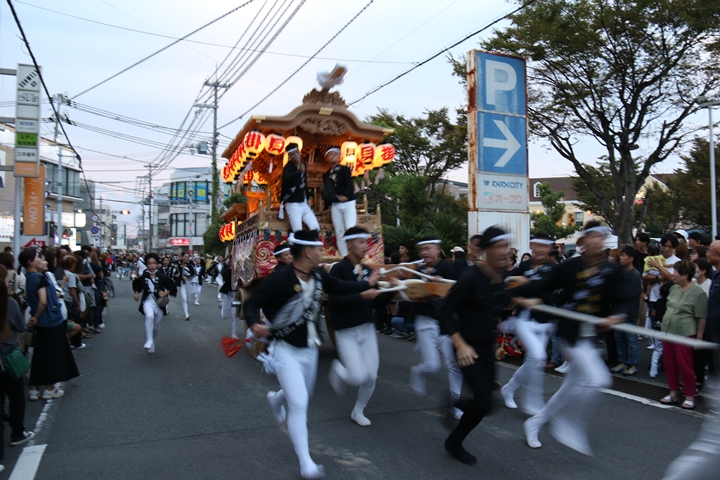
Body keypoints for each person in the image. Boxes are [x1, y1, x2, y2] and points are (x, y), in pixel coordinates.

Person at [244, 230, 379, 479]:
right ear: (308, 252)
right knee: (299, 404)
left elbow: (341, 286)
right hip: (285, 350)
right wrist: (254, 324)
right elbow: (251, 303)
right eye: (319, 248)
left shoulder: (318, 274)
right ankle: (306, 463)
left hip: (310, 350)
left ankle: (276, 399)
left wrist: (366, 285)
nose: (322, 252)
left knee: (300, 395)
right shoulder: (280, 279)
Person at [509, 222, 630, 455]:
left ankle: (535, 422)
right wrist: (515, 291)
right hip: (572, 332)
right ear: (583, 242)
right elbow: (542, 285)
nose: (597, 241)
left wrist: (617, 315)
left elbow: (622, 298)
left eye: (601, 237)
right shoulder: (570, 266)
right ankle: (569, 424)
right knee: (598, 379)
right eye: (592, 236)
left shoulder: (611, 270)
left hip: (591, 334)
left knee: (571, 388)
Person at [435, 225, 511, 465]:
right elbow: (444, 312)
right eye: (499, 246)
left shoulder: (501, 277)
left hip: (486, 348)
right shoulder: (469, 278)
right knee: (483, 402)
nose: (505, 251)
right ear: (486, 250)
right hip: (466, 348)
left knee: (489, 404)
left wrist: (524, 298)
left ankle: (455, 407)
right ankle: (454, 442)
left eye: (507, 246)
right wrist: (460, 345)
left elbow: (501, 299)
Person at [327, 227, 395, 427]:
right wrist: (361, 295)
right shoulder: (338, 270)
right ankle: (338, 369)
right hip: (346, 330)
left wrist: (390, 290)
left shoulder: (369, 271)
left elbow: (377, 304)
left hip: (366, 328)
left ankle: (358, 410)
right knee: (357, 376)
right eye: (361, 242)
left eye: (366, 242)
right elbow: (335, 303)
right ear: (349, 244)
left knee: (371, 376)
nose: (365, 246)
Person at [501, 232, 556, 415]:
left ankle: (509, 389)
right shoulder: (524, 266)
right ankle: (534, 403)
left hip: (542, 320)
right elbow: (510, 289)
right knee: (538, 356)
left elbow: (547, 291)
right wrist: (522, 300)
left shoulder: (551, 268)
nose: (540, 250)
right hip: (524, 319)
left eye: (545, 246)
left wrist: (529, 287)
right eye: (537, 245)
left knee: (534, 360)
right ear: (532, 246)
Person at [408, 236, 462, 419]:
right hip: (425, 321)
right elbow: (412, 295)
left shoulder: (448, 268)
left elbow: (456, 293)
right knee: (432, 366)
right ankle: (418, 371)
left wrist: (441, 286)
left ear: (438, 250)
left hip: (446, 322)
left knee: (454, 365)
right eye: (422, 249)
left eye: (428, 248)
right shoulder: (417, 271)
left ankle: (456, 403)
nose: (425, 252)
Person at [20, 248, 79, 401]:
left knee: (39, 355)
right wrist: (36, 316)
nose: (43, 261)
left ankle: (35, 388)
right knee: (52, 355)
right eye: (39, 258)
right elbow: (43, 301)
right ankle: (49, 388)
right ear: (30, 262)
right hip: (50, 320)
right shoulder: (39, 278)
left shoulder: (29, 277)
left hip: (42, 321)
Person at [658, 260, 707, 410]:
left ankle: (690, 396)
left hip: (685, 333)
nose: (673, 275)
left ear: (685, 275)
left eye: (676, 272)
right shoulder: (674, 288)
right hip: (668, 331)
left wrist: (699, 337)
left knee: (685, 365)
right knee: (669, 363)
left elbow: (702, 316)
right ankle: (673, 393)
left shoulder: (698, 292)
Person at [0, 264, 35, 467]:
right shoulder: (10, 303)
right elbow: (20, 327)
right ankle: (17, 432)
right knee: (16, 396)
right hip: (8, 358)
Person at [132, 253, 176, 353]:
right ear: (146, 264)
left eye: (154, 263)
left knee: (156, 328)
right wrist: (136, 293)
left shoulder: (162, 276)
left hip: (159, 304)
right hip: (147, 301)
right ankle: (149, 340)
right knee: (149, 316)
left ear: (157, 264)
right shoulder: (144, 276)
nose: (152, 265)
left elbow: (172, 285)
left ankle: (152, 340)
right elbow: (136, 284)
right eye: (149, 263)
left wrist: (165, 293)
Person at [610, 246, 642, 376]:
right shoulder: (620, 272)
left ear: (631, 258)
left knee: (631, 340)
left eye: (624, 256)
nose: (621, 258)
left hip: (629, 312)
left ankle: (632, 364)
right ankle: (621, 361)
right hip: (617, 311)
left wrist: (616, 293)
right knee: (619, 338)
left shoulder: (635, 274)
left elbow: (630, 293)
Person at [322, 148, 356, 257]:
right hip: (335, 205)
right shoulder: (326, 174)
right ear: (327, 158)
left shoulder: (344, 169)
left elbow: (348, 184)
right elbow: (327, 191)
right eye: (331, 154)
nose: (333, 156)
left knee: (350, 228)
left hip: (348, 203)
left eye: (336, 154)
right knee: (339, 232)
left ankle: (353, 255)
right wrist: (328, 204)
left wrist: (345, 195)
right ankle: (345, 256)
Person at [281, 143, 319, 232]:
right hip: (293, 204)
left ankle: (308, 241)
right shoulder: (288, 167)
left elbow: (304, 182)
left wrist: (307, 197)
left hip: (303, 203)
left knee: (315, 228)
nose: (296, 155)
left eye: (297, 152)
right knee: (298, 231)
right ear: (289, 156)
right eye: (292, 154)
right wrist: (298, 171)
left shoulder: (303, 164)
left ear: (300, 152)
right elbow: (288, 179)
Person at [219, 257, 239, 339]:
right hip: (227, 295)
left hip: (236, 296)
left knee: (235, 315)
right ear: (229, 263)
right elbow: (226, 278)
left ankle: (234, 334)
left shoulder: (241, 271)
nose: (233, 263)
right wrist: (232, 270)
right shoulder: (227, 270)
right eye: (232, 262)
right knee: (225, 316)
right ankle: (222, 306)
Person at [179, 254, 193, 320]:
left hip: (189, 283)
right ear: (182, 257)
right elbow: (175, 274)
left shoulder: (190, 266)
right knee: (184, 298)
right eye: (185, 257)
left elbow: (194, 274)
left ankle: (185, 306)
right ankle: (186, 314)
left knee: (188, 299)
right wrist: (180, 277)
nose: (186, 258)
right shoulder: (178, 265)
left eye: (187, 257)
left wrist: (188, 277)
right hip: (182, 284)